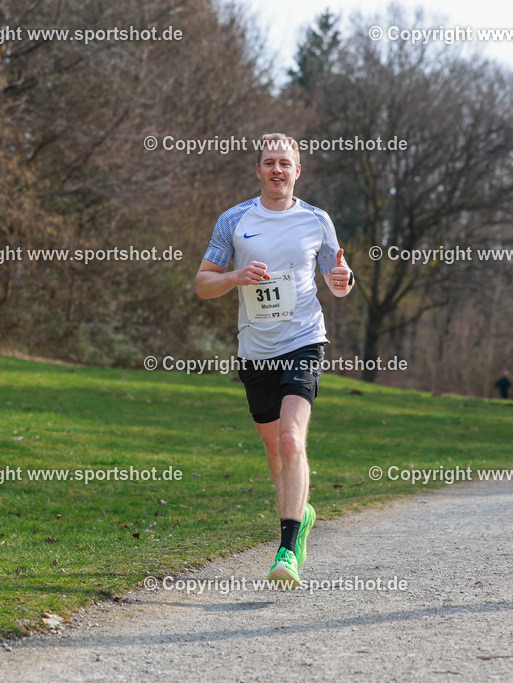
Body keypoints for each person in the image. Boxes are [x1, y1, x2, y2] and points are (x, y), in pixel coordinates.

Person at [195, 133, 354, 587]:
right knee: (273, 449)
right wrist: (234, 276)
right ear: (259, 170)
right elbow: (203, 284)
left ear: (297, 171)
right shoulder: (234, 220)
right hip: (256, 351)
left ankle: (287, 548)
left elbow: (338, 282)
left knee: (289, 440)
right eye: (269, 162)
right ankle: (301, 511)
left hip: (304, 340)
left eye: (285, 163)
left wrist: (344, 279)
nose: (277, 170)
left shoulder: (317, 220)